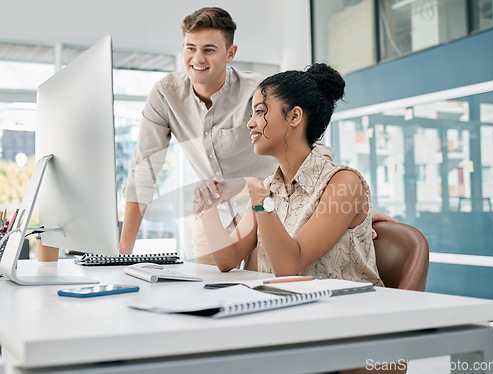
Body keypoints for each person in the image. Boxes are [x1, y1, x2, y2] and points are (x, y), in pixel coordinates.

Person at [120, 6, 396, 265]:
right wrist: (122, 257)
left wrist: (339, 211)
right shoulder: (165, 94)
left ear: (230, 54)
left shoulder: (260, 93)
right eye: (190, 48)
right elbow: (142, 173)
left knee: (264, 281)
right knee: (206, 288)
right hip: (231, 208)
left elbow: (311, 146)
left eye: (209, 49)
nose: (198, 58)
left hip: (274, 205)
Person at [195, 63, 383, 285]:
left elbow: (289, 267)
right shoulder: (270, 187)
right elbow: (227, 259)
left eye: (260, 112)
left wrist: (257, 194)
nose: (250, 123)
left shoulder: (344, 183)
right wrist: (209, 204)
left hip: (346, 312)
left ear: (294, 117)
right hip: (291, 309)